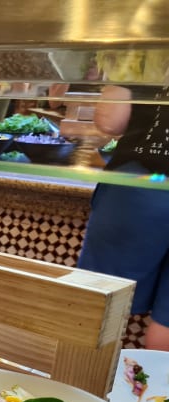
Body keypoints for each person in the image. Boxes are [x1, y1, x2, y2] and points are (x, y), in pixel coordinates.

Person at [77, 82, 169, 350]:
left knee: (100, 300)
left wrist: (116, 72)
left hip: (143, 185)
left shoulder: (145, 57)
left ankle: (81, 375)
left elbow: (110, 122)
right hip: (144, 189)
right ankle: (156, 381)